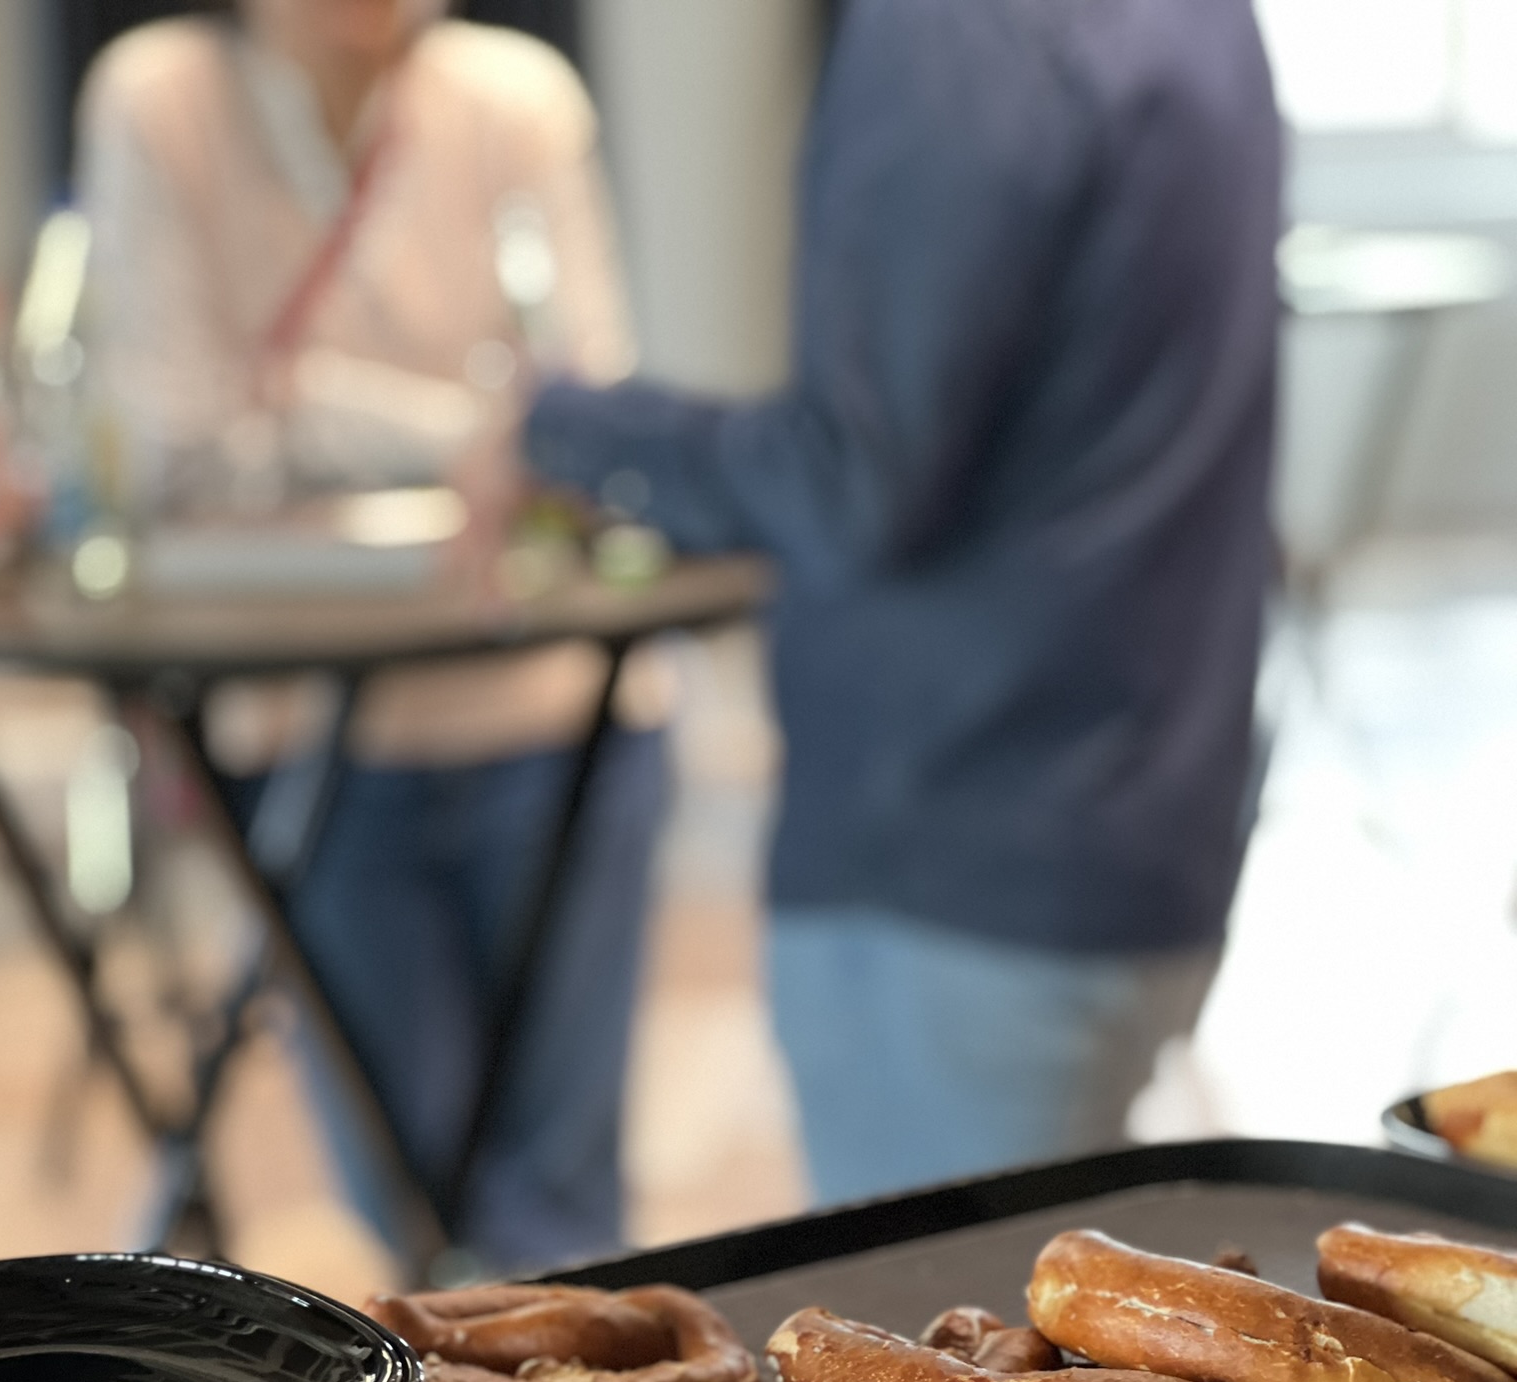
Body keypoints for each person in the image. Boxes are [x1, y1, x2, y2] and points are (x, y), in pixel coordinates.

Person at [524, 0, 1280, 1205]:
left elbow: (858, 480)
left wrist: (561, 428)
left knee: (940, 1321)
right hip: (1143, 823)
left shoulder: (958, 34)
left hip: (963, 849)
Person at [79, 0, 667, 1271]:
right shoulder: (162, 98)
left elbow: (586, 415)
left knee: (567, 1215)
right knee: (410, 1208)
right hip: (314, 733)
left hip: (556, 703)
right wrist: (471, 436)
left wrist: (302, 405)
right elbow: (179, 443)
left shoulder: (513, 97)